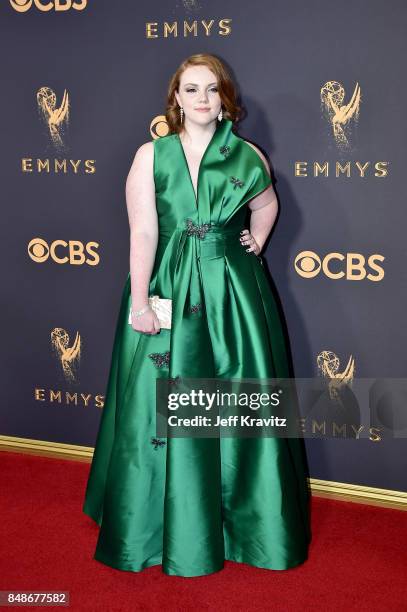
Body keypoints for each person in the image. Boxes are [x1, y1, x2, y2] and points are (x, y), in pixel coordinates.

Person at [83, 53, 311, 577]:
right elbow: (142, 232)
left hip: (234, 292)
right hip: (168, 286)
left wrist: (257, 238)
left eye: (212, 89)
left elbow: (267, 203)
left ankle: (245, 526)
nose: (202, 99)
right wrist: (140, 302)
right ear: (176, 99)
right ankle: (158, 527)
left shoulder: (247, 155)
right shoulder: (150, 156)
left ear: (225, 97)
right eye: (191, 90)